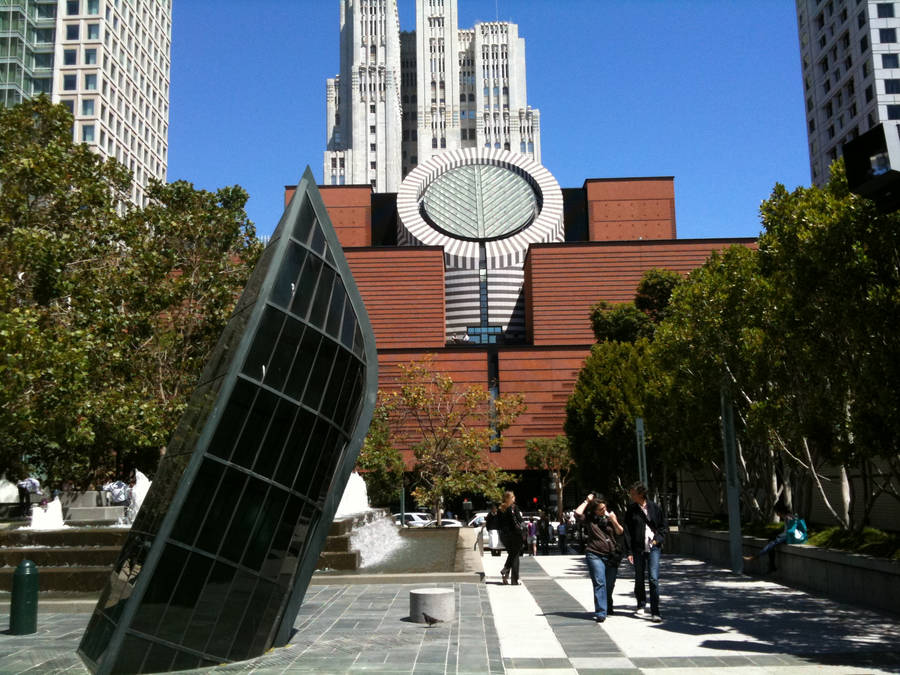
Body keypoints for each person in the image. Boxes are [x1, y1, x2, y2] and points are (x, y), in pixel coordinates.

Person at [623, 481, 668, 623]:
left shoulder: (654, 508)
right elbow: (627, 531)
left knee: (653, 578)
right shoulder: (631, 510)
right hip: (638, 548)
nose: (631, 496)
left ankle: (655, 611)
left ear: (641, 494)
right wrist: (629, 551)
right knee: (639, 577)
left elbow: (662, 527)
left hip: (653, 547)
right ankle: (641, 603)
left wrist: (657, 540)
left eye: (633, 493)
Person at [575, 493, 624, 622]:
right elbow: (577, 513)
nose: (604, 511)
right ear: (594, 511)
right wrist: (586, 500)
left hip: (612, 556)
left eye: (604, 508)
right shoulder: (590, 519)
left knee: (609, 584)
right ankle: (601, 611)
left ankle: (607, 604)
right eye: (600, 509)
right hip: (594, 554)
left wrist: (614, 520)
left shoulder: (610, 518)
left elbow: (620, 532)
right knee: (599, 582)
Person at [744, 503, 807, 572]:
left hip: (792, 538)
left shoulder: (788, 517)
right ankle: (771, 565)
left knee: (772, 543)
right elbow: (787, 531)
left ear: (780, 511)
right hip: (791, 536)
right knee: (771, 541)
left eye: (777, 512)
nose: (777, 514)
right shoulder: (789, 516)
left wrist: (779, 536)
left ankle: (756, 557)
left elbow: (789, 532)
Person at [498, 491, 524, 585]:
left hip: (504, 536)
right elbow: (519, 520)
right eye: (513, 497)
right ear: (508, 498)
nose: (514, 498)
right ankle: (513, 579)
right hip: (515, 535)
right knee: (515, 555)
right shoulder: (513, 507)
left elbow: (498, 523)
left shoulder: (500, 509)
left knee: (512, 554)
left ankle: (506, 576)